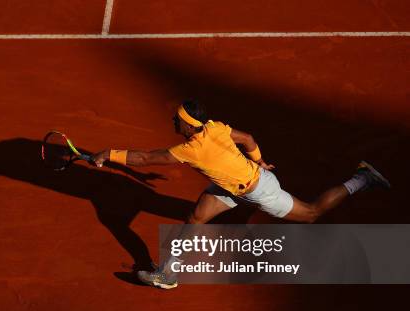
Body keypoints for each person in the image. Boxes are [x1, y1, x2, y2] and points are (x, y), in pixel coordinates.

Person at [92, 100, 391, 289]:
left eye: (176, 120)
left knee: (311, 213)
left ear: (188, 125)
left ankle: (362, 179)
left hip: (260, 190)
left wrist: (109, 154)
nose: (173, 122)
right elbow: (247, 138)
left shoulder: (190, 150)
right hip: (232, 183)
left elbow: (145, 158)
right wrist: (259, 159)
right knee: (196, 217)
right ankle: (168, 273)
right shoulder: (215, 128)